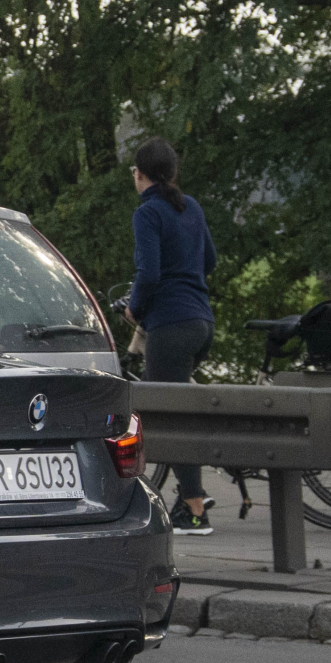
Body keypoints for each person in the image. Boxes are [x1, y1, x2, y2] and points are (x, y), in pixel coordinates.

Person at [124, 138, 217, 534]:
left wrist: (134, 308)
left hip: (171, 325)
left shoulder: (148, 214)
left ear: (139, 174)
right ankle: (192, 497)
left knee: (164, 418)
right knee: (177, 413)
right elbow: (209, 260)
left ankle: (195, 509)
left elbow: (150, 272)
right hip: (201, 324)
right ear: (173, 173)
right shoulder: (190, 206)